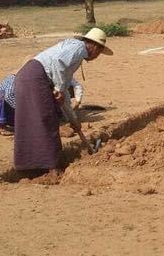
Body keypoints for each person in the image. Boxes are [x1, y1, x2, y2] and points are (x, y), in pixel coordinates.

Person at [12, 27, 112, 177]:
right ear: (94, 46)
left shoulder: (74, 50)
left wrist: (73, 119)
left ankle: (29, 166)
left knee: (33, 120)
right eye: (99, 52)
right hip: (35, 77)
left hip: (28, 76)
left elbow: (63, 91)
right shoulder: (79, 48)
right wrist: (58, 88)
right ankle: (52, 167)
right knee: (48, 119)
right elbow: (59, 64)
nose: (97, 56)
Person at [0, 74, 84, 134]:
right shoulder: (14, 81)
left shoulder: (17, 78)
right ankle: (4, 126)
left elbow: (76, 86)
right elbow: (8, 97)